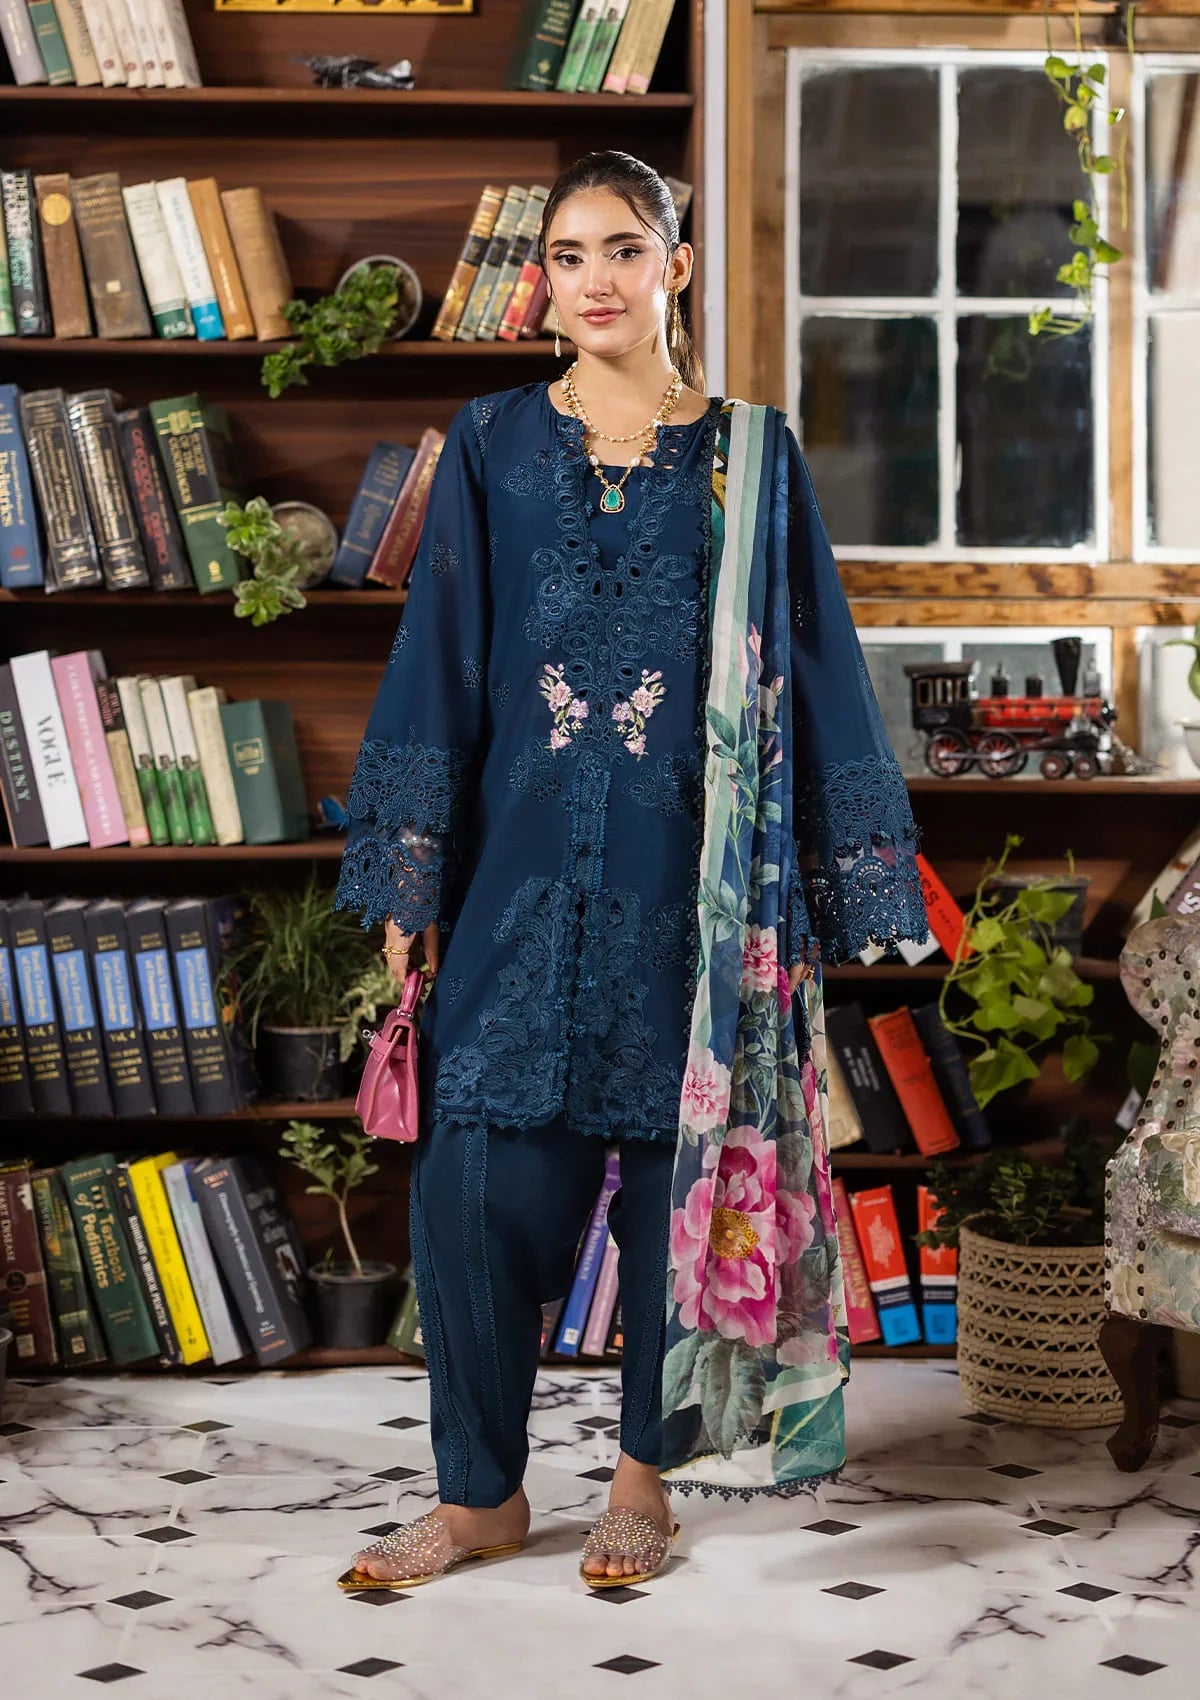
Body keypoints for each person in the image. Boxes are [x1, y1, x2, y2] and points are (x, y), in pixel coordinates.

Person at [332, 149, 927, 1593]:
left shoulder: (749, 455)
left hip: (693, 889)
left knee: (681, 1187)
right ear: (543, 280)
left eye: (621, 248)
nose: (592, 279)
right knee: (474, 1186)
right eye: (567, 254)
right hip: (518, 879)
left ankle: (643, 1483)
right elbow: (440, 664)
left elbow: (819, 664)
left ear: (676, 265)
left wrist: (842, 881)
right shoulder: (489, 441)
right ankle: (478, 1496)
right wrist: (412, 885)